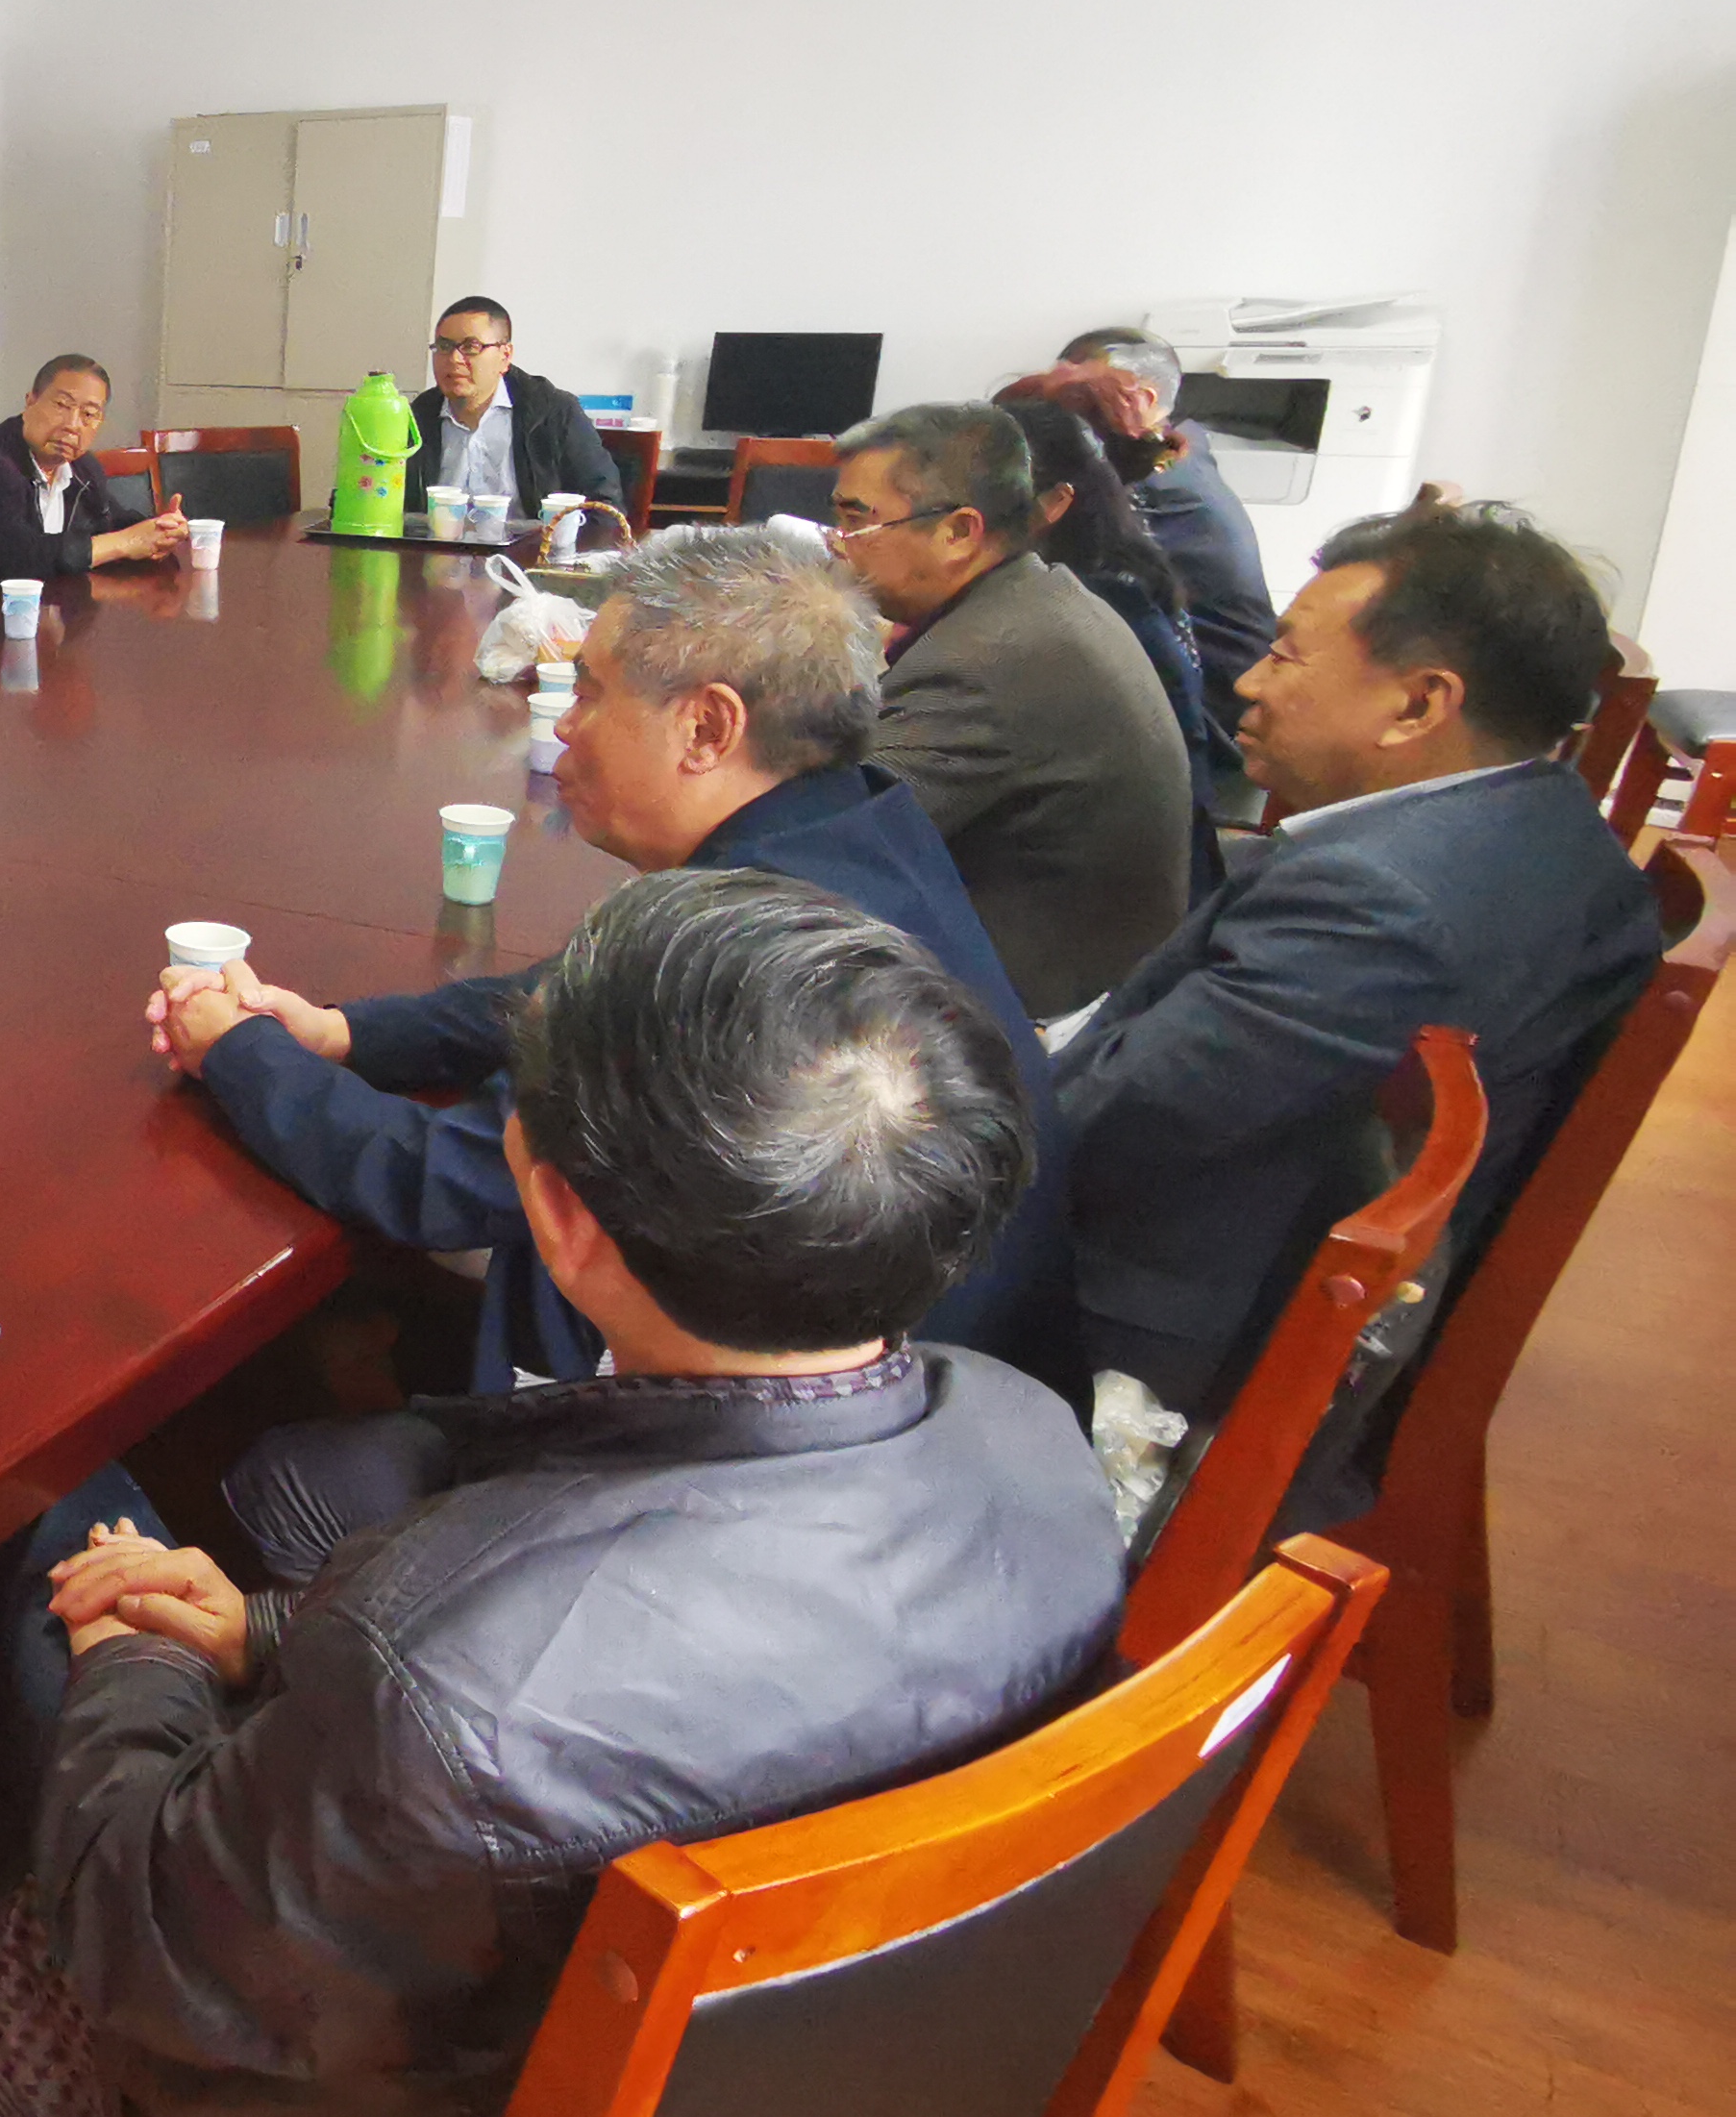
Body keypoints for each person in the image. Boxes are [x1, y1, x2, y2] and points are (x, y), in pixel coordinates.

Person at [0, 869, 1121, 2117]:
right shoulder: (1037, 1451)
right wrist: (268, 1633)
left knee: (51, 1524)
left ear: (556, 1216)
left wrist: (135, 1653)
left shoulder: (454, 1687)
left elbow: (141, 1937)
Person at [147, 525, 1080, 1399]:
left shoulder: (741, 955)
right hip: (954, 1388)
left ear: (707, 729)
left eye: (589, 692)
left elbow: (441, 1181)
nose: (562, 724)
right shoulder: (853, 822)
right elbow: (565, 994)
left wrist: (233, 1048)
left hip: (818, 1438)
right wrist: (343, 1033)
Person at [1057, 498, 1657, 1494]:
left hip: (1151, 1338)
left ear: (1418, 707)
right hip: (1263, 1250)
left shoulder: (1378, 903)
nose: (1248, 681)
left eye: (1286, 654)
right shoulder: (1551, 824)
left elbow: (1104, 1128)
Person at [833, 400, 1190, 1018]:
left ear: (958, 532)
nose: (837, 547)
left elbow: (828, 844)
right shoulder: (1040, 595)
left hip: (1032, 1016)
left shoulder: (982, 663)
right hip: (1093, 971)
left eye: (856, 522)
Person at [998, 381, 1232, 890]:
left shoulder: (1087, 598)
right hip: (1163, 847)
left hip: (1131, 880)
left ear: (1050, 501)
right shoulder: (1120, 555)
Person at [1058, 327, 1277, 733]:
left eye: (1084, 397)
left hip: (1215, 714)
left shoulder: (1153, 489)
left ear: (1143, 400)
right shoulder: (1178, 448)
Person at [0, 354, 189, 588]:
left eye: (88, 414)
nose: (72, 425)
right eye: (62, 406)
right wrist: (125, 542)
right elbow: (17, 558)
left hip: (63, 606)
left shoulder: (84, 468)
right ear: (30, 401)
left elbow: (111, 523)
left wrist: (161, 530)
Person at [412, 296, 619, 515]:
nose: (454, 359)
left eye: (471, 347)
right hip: (436, 538)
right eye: (444, 346)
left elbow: (605, 506)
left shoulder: (553, 412)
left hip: (534, 537)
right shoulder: (417, 416)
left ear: (505, 356)